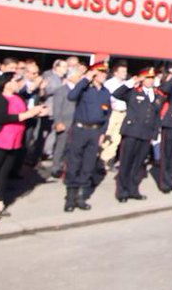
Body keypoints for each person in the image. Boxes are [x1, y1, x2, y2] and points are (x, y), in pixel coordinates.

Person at [0, 72, 47, 219]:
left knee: (4, 172)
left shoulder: (18, 98)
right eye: (15, 81)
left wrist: (36, 112)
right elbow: (2, 117)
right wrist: (28, 114)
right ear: (6, 83)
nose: (18, 83)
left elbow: (24, 114)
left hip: (14, 140)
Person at [63, 62, 112, 212]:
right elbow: (71, 96)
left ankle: (81, 197)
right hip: (80, 129)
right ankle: (70, 198)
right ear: (94, 74)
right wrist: (85, 79)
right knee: (74, 162)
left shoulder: (105, 92)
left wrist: (103, 132)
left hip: (95, 132)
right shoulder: (84, 88)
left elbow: (107, 114)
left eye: (105, 73)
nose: (103, 75)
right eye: (100, 72)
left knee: (88, 164)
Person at [113, 68, 159, 201]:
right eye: (147, 78)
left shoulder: (156, 94)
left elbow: (156, 116)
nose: (150, 81)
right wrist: (131, 82)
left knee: (139, 163)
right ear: (142, 79)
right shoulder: (133, 92)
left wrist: (154, 134)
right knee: (126, 162)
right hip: (132, 132)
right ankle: (122, 191)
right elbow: (117, 94)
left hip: (146, 134)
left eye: (152, 78)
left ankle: (133, 189)